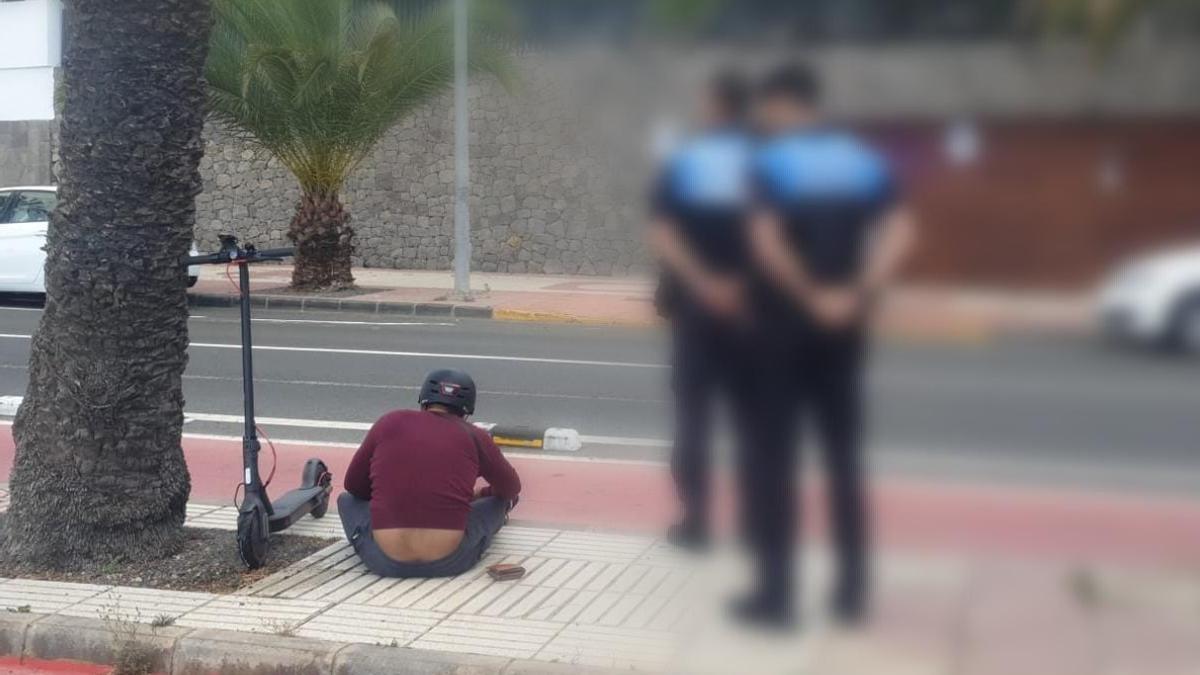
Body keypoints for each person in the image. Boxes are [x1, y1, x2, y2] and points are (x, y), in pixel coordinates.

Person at [738, 63, 916, 627]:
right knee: (843, 459)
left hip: (783, 329)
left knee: (774, 461)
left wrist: (810, 295)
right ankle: (851, 593)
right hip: (846, 329)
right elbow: (900, 231)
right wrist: (856, 292)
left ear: (783, 104)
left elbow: (765, 239)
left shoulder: (771, 162)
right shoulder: (862, 161)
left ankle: (777, 596)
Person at [648, 70, 756, 550]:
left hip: (696, 309)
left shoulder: (687, 162)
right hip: (755, 311)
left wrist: (704, 283)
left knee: (693, 418)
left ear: (714, 105)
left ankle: (695, 522)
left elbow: (665, 234)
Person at [338, 369, 521, 578]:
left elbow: (354, 486)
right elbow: (511, 488)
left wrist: (390, 495)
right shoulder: (474, 435)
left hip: (385, 562)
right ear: (467, 410)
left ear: (423, 400)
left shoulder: (389, 422)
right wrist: (481, 494)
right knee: (500, 502)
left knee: (346, 500)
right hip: (450, 562)